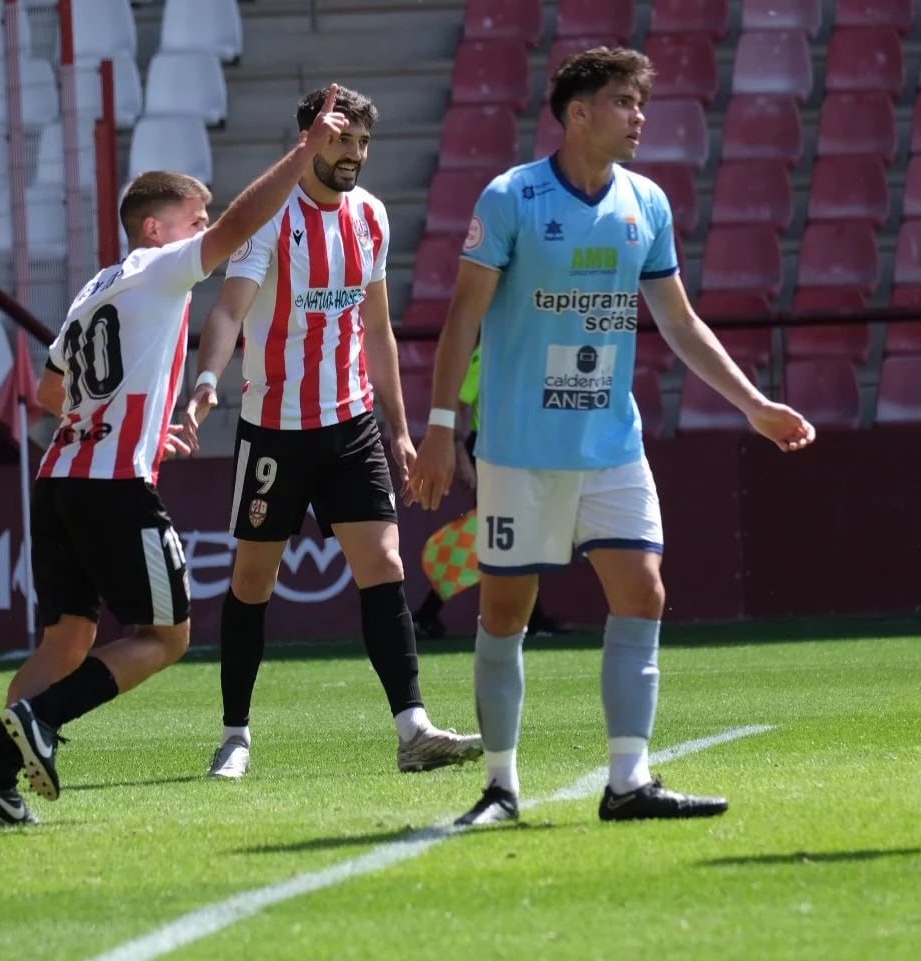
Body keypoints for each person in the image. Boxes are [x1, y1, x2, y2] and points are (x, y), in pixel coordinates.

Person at [407, 47, 815, 828]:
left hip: (612, 445)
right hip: (521, 448)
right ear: (577, 112)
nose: (639, 117)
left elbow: (680, 322)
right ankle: (500, 786)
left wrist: (754, 403)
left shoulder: (647, 204)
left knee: (644, 591)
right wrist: (439, 429)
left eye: (640, 102)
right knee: (504, 612)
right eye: (624, 102)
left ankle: (628, 779)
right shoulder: (510, 198)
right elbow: (463, 315)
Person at [0, 86, 356, 823]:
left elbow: (51, 394)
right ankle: (42, 723)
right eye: (193, 222)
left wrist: (132, 427)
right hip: (112, 485)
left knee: (67, 641)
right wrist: (304, 153)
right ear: (155, 227)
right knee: (166, 636)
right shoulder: (158, 267)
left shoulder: (94, 287)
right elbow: (244, 221)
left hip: (61, 480)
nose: (205, 232)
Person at [185, 85, 481, 781]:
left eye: (362, 144)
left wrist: (400, 432)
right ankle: (235, 735)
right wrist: (207, 381)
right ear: (309, 138)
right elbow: (228, 311)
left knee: (384, 566)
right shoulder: (269, 217)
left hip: (350, 425)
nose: (353, 155)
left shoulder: (371, 216)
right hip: (274, 431)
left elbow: (377, 331)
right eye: (341, 139)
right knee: (253, 580)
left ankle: (412, 728)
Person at [411, 346, 562, 640]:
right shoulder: (486, 354)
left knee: (509, 535)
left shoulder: (524, 350)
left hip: (514, 449)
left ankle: (429, 614)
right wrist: (459, 453)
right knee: (498, 534)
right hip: (489, 449)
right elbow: (459, 402)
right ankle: (429, 612)